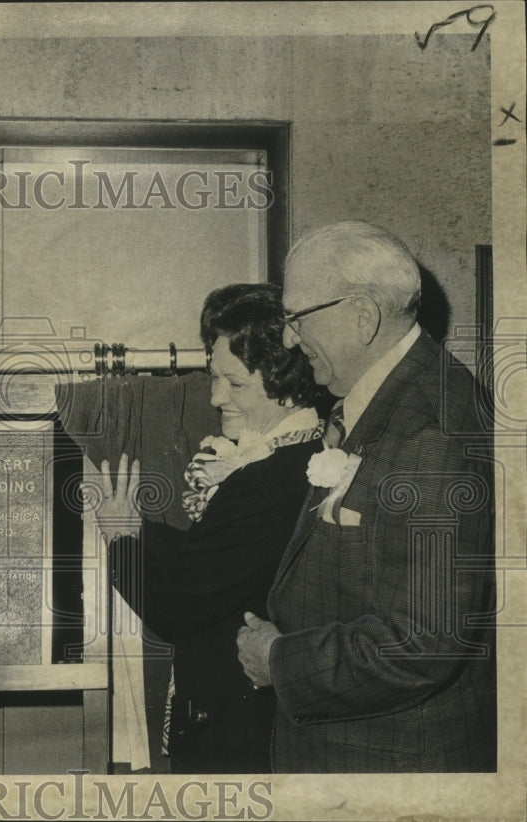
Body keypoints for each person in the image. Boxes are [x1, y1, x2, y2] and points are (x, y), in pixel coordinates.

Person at [237, 221, 496, 772]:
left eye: (297, 319)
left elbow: (424, 642)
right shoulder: (383, 400)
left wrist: (280, 660)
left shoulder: (432, 431)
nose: (288, 338)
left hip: (392, 760)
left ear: (362, 316)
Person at [96, 283, 328, 773]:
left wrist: (119, 541)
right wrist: (141, 530)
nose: (215, 395)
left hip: (237, 731)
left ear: (287, 382)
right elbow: (219, 554)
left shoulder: (267, 481)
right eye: (213, 376)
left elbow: (177, 606)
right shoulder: (298, 460)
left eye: (236, 383)